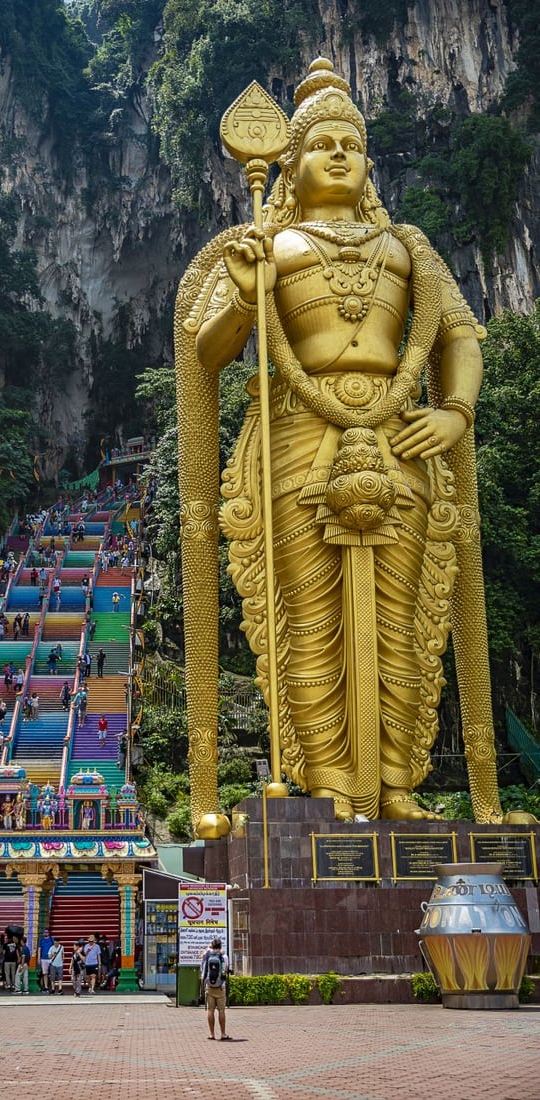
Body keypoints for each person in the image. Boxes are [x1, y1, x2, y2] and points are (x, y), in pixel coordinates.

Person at [176, 56, 493, 828]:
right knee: (307, 618)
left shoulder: (407, 248)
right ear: (290, 165)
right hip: (296, 439)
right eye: (322, 144)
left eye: (352, 144)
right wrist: (244, 299)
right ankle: (323, 786)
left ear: (368, 163)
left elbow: (459, 335)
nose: (340, 155)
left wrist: (453, 410)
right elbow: (205, 351)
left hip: (398, 438)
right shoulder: (263, 246)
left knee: (401, 615)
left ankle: (391, 783)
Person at [200, 937, 230, 1040]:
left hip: (209, 986)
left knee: (210, 1010)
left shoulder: (207, 955)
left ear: (212, 946)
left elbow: (202, 969)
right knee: (221, 1011)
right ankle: (223, 1034)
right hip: (220, 987)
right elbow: (225, 970)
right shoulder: (224, 956)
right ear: (220, 946)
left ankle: (212, 1034)